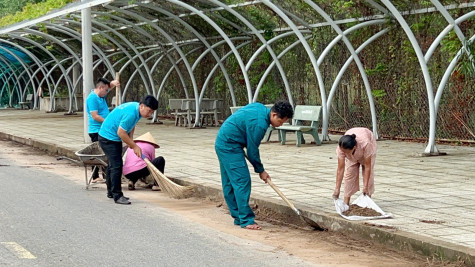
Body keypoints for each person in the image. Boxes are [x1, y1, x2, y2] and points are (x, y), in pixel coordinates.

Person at [215, 100, 294, 230]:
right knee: (242, 181)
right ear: (274, 115)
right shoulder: (260, 125)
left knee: (230, 182)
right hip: (229, 146)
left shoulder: (260, 107)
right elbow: (252, 151)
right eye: (280, 122)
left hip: (223, 141)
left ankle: (239, 217)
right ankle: (246, 219)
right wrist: (260, 170)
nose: (280, 125)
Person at [98, 95, 158, 205]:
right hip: (107, 138)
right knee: (117, 165)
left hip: (112, 137)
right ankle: (117, 195)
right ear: (142, 106)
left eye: (152, 112)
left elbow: (131, 125)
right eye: (149, 111)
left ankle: (111, 192)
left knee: (112, 165)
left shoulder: (136, 110)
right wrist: (134, 146)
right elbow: (121, 132)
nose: (150, 114)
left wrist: (131, 140)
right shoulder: (131, 113)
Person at [332, 127, 377, 205]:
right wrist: (337, 189)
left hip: (366, 149)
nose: (344, 154)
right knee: (350, 173)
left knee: (367, 175)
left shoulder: (366, 144)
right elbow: (340, 169)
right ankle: (346, 201)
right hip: (352, 155)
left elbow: (367, 167)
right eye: (343, 152)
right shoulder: (341, 148)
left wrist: (365, 186)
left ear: (354, 147)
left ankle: (367, 199)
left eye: (346, 152)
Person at [86, 77, 119, 183]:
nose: (107, 92)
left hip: (103, 129)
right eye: (105, 90)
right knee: (98, 153)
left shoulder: (100, 95)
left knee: (105, 153)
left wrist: (112, 83)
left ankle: (106, 175)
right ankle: (95, 176)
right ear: (100, 88)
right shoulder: (92, 98)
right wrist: (108, 123)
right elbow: (95, 116)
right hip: (96, 130)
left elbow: (109, 86)